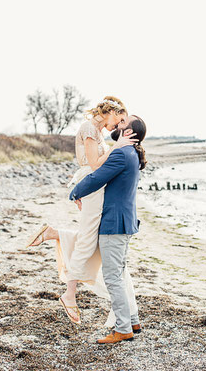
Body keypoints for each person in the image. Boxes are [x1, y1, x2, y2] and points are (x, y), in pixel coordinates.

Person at [25, 96, 138, 325]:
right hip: (92, 183)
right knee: (88, 238)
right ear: (112, 112)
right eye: (119, 120)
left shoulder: (97, 131)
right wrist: (117, 147)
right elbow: (95, 165)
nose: (118, 127)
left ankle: (54, 234)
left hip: (94, 185)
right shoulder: (89, 128)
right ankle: (69, 294)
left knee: (92, 237)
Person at [69, 115, 147, 344]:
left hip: (115, 224)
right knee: (119, 274)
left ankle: (123, 328)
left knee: (112, 277)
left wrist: (74, 192)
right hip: (124, 222)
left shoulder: (122, 154)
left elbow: (96, 178)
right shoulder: (130, 154)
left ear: (129, 132)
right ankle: (132, 320)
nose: (119, 123)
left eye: (124, 122)